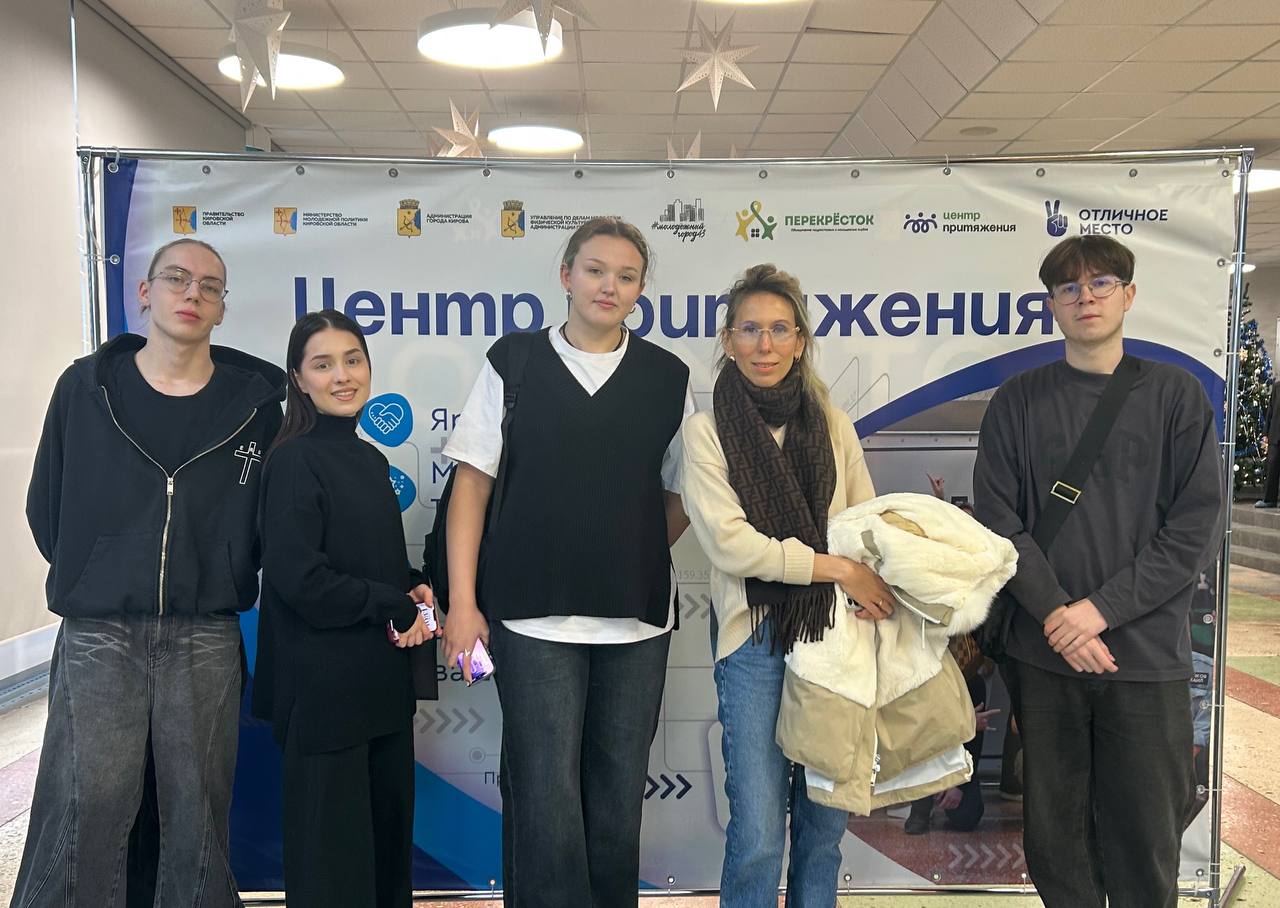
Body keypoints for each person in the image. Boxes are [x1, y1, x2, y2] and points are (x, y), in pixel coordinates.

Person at [16, 238, 284, 908]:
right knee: (88, 803)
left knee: (197, 812)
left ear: (222, 308)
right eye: (177, 278)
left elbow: (265, 520)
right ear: (145, 291)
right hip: (99, 629)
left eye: (210, 286)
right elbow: (46, 503)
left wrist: (219, 567)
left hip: (204, 631)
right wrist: (99, 569)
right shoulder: (85, 389)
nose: (193, 293)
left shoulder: (255, 408)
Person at [441, 217, 693, 907]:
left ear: (640, 290)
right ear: (566, 276)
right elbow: (471, 485)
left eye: (626, 276)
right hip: (530, 619)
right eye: (595, 270)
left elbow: (680, 497)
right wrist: (463, 603)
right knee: (545, 803)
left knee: (616, 806)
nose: (609, 286)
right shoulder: (514, 362)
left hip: (636, 625)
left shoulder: (668, 377)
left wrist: (626, 549)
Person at [973, 235, 1222, 908]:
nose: (1086, 297)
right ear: (1052, 305)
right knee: (1057, 844)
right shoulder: (1017, 402)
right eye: (1069, 287)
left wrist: (1097, 612)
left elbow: (1195, 529)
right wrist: (1057, 613)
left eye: (1102, 283)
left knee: (1146, 841)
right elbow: (997, 520)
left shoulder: (1177, 396)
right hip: (1045, 656)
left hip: (1144, 658)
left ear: (1129, 295)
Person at [680, 263, 892, 907]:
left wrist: (858, 573)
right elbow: (732, 545)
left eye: (779, 329)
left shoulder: (833, 425)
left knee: (824, 830)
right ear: (728, 340)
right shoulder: (706, 431)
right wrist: (838, 569)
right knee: (759, 832)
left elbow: (864, 526)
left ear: (800, 341)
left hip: (836, 639)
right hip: (753, 641)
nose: (764, 345)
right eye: (750, 329)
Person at [252, 310, 437, 908]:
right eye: (323, 364)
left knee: (385, 859)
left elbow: (369, 561)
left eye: (352, 360)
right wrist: (389, 602)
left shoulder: (369, 459)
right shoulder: (293, 460)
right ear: (298, 379)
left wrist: (412, 587)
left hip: (380, 689)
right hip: (323, 696)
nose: (342, 376)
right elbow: (299, 578)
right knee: (334, 871)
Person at [1256, 378, 1279, 507]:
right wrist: (1265, 433)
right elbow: (1271, 411)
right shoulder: (1277, 387)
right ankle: (1269, 499)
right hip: (1276, 433)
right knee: (1272, 466)